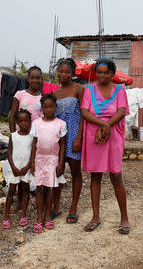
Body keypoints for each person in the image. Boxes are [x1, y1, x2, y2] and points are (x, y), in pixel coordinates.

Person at [80, 58, 130, 235]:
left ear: (111, 73)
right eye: (99, 72)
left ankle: (124, 217)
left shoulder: (119, 90)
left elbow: (122, 111)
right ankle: (95, 217)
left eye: (105, 72)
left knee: (116, 175)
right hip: (95, 137)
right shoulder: (88, 90)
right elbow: (84, 111)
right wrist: (103, 125)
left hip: (113, 136)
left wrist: (107, 126)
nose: (102, 75)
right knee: (95, 176)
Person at [53, 58, 84, 224]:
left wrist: (79, 136)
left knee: (75, 171)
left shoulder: (79, 89)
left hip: (73, 135)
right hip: (59, 137)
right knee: (58, 171)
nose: (63, 74)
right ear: (57, 71)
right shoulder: (55, 93)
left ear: (73, 73)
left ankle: (74, 207)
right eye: (61, 71)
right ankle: (55, 206)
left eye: (67, 71)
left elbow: (84, 115)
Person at [30, 94, 67, 233]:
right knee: (39, 188)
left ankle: (48, 214)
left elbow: (62, 145)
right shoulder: (36, 123)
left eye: (51, 106)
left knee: (50, 188)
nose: (48, 109)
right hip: (39, 159)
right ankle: (39, 216)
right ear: (42, 109)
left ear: (55, 107)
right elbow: (34, 144)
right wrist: (32, 162)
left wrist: (61, 163)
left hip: (52, 160)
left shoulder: (61, 123)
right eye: (45, 107)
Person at [9, 66, 42, 212]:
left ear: (42, 79)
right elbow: (12, 115)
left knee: (28, 170)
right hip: (20, 139)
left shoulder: (42, 98)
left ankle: (26, 202)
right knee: (19, 168)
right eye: (33, 77)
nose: (35, 80)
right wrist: (12, 136)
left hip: (35, 139)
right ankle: (18, 202)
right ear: (28, 79)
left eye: (38, 77)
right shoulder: (20, 94)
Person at [2, 109, 34, 229]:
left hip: (25, 168)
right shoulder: (13, 136)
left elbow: (32, 154)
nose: (24, 123)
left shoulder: (32, 137)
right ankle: (6, 216)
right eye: (21, 121)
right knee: (11, 191)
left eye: (26, 120)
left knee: (26, 190)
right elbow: (9, 152)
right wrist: (13, 167)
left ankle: (23, 214)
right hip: (14, 168)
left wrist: (27, 167)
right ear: (17, 122)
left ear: (30, 121)